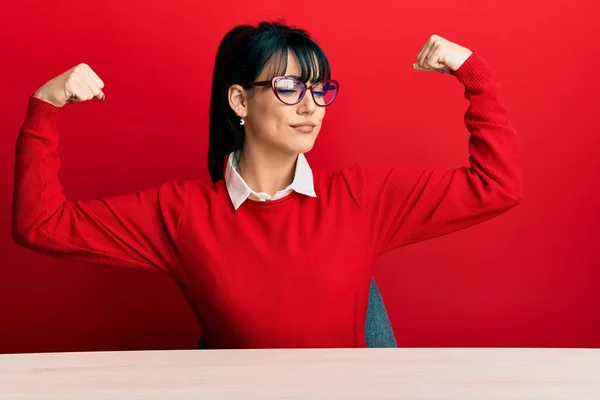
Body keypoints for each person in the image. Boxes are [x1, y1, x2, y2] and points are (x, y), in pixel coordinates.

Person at [12, 21, 522, 349]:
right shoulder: (181, 213)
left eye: (320, 89)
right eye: (289, 87)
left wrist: (473, 74)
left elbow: (496, 186)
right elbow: (40, 224)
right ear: (239, 100)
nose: (310, 106)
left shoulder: (361, 199)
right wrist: (45, 107)